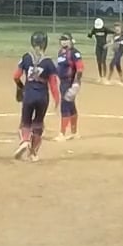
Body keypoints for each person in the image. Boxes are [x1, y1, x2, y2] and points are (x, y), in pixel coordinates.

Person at [14, 32, 58, 161]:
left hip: (28, 94)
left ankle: (25, 141)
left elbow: (16, 76)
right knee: (38, 124)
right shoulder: (49, 62)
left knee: (25, 122)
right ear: (45, 44)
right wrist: (57, 100)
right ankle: (33, 154)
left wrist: (21, 87)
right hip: (42, 97)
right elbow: (53, 84)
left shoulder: (26, 57)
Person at [54, 33, 84, 139]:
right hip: (63, 83)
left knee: (65, 106)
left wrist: (76, 83)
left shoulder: (74, 53)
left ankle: (62, 134)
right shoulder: (60, 53)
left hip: (70, 82)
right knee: (71, 106)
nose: (63, 42)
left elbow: (80, 68)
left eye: (66, 39)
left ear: (71, 41)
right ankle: (74, 133)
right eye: (62, 40)